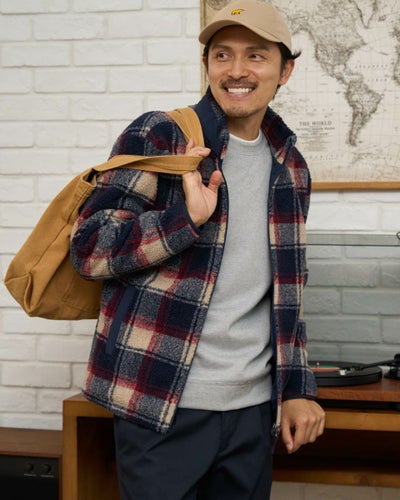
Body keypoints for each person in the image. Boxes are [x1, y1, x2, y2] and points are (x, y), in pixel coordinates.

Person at [70, 1, 325, 498]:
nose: (236, 70)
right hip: (160, 403)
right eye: (222, 55)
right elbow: (90, 250)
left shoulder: (291, 166)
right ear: (207, 65)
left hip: (253, 412)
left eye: (256, 55)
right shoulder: (162, 134)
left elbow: (287, 295)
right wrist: (184, 220)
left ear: (285, 71)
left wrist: (297, 388)